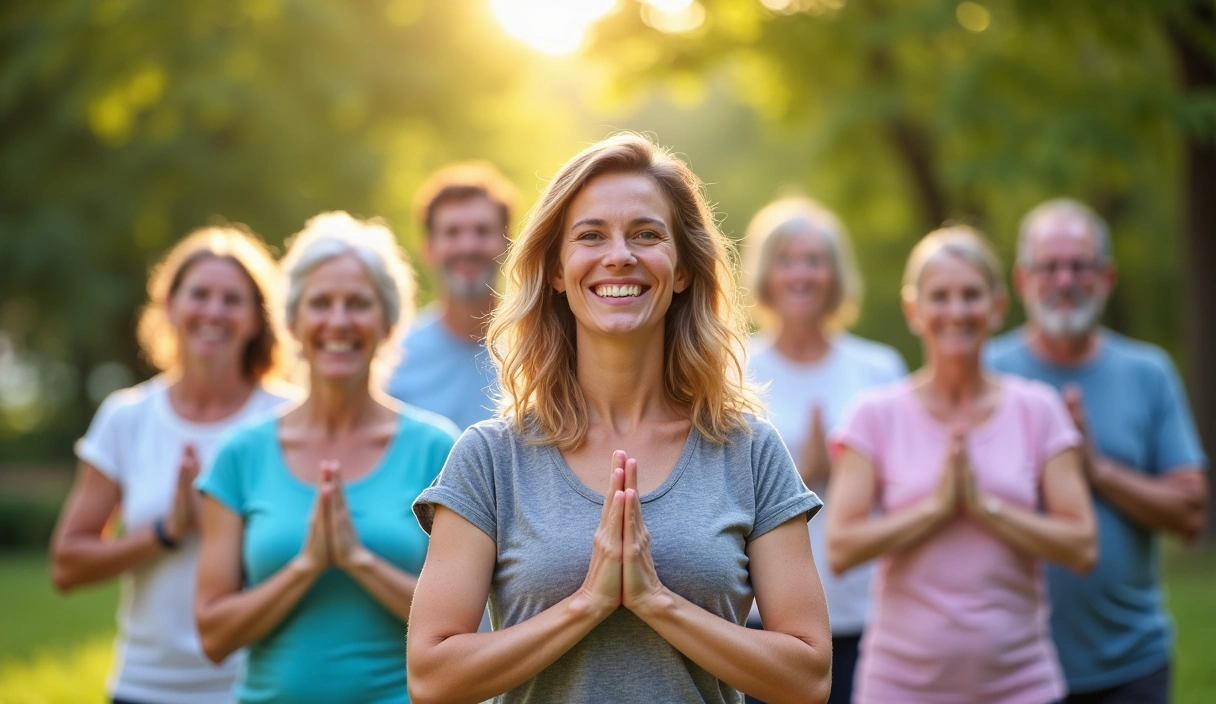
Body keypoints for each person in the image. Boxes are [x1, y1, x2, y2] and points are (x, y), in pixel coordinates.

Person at [406, 133, 832, 704]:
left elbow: (809, 677)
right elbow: (432, 677)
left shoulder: (748, 450)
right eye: (590, 236)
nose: (619, 256)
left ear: (682, 270)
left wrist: (656, 601)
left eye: (647, 235)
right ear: (556, 271)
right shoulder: (490, 457)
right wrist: (589, 601)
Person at [826, 225, 1098, 704]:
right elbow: (842, 548)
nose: (956, 311)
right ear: (914, 310)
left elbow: (1082, 545)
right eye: (940, 297)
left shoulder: (1038, 409)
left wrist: (985, 507)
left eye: (971, 295)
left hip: (1022, 684)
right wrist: (935, 509)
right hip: (900, 687)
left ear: (996, 306)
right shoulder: (874, 415)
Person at [195, 212, 458, 704]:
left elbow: (467, 628)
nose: (338, 321)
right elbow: (213, 636)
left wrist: (358, 561)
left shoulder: (438, 450)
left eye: (358, 303)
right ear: (293, 321)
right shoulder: (240, 455)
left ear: (387, 322)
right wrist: (307, 565)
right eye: (321, 303)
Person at [50, 226, 297, 704]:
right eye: (199, 294)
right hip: (146, 688)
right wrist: (168, 530)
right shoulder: (127, 418)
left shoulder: (289, 419)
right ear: (170, 306)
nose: (213, 311)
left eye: (232, 299)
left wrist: (228, 524)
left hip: (260, 688)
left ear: (255, 319)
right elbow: (67, 565)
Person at [986, 199, 1209, 704]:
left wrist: (1096, 470)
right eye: (1049, 266)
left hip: (1130, 666)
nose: (1065, 279)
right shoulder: (984, 370)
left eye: (1080, 265)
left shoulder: (1148, 373)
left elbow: (1191, 512)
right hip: (1007, 666)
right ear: (1023, 281)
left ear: (1106, 277)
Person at [742, 197, 906, 704]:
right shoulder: (733, 366)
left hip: (865, 613)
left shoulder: (878, 369)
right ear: (767, 273)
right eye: (788, 260)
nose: (801, 274)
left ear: (834, 275)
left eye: (814, 261)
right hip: (760, 622)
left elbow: (905, 483)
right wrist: (800, 479)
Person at [386, 161, 518, 430]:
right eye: (452, 232)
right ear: (429, 247)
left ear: (509, 243)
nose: (468, 246)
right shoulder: (394, 359)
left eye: (482, 231)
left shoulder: (545, 348)